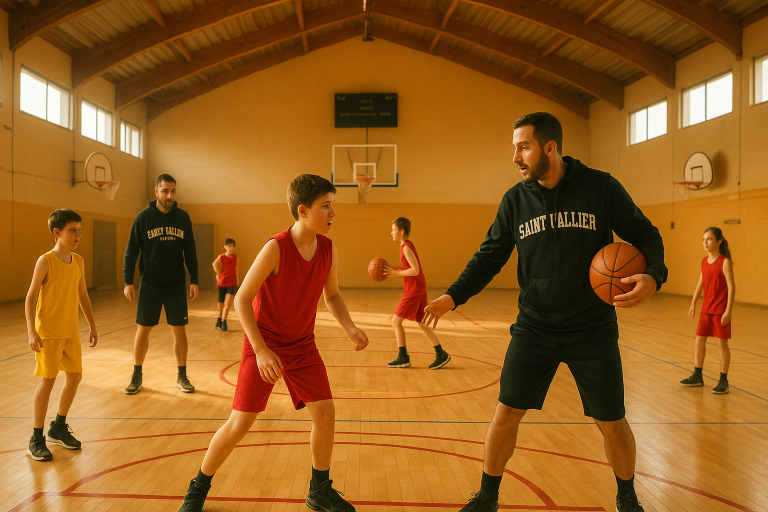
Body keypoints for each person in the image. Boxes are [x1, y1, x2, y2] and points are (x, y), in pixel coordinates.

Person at [422, 112, 667, 512]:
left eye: (523, 147)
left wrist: (654, 276)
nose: (515, 157)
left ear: (550, 148)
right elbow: (489, 256)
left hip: (592, 328)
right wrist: (454, 296)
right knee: (505, 414)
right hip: (535, 327)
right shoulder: (515, 201)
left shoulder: (601, 187)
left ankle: (627, 500)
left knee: (611, 420)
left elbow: (646, 234)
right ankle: (487, 498)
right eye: (514, 148)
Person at [177, 174, 369, 512]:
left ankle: (319, 490)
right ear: (303, 210)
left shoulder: (327, 249)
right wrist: (261, 350)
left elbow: (333, 295)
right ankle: (198, 487)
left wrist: (350, 327)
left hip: (302, 345)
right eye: (325, 206)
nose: (333, 212)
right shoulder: (276, 248)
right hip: (263, 343)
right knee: (240, 423)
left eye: (333, 205)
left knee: (325, 413)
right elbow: (241, 299)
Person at [24, 209, 98, 461]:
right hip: (48, 334)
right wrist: (32, 331)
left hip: (70, 333)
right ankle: (36, 438)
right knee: (47, 382)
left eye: (79, 230)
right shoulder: (45, 261)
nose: (77, 235)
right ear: (57, 232)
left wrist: (92, 324)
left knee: (75, 378)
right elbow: (31, 297)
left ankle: (58, 426)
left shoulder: (78, 261)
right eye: (72, 230)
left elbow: (82, 295)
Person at [123, 174, 199, 395]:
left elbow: (191, 251)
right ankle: (136, 375)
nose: (169, 196)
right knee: (143, 330)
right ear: (156, 191)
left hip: (175, 284)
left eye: (173, 191)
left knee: (179, 330)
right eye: (165, 191)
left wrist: (194, 280)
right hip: (150, 284)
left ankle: (182, 375)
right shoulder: (143, 218)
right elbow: (131, 252)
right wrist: (128, 281)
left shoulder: (183, 218)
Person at [383, 217, 450, 369]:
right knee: (422, 321)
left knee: (396, 321)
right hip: (417, 287)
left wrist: (396, 273)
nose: (391, 232)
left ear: (401, 231)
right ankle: (441, 354)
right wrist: (396, 269)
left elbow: (415, 270)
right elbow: (409, 267)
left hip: (414, 289)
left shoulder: (406, 247)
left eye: (394, 230)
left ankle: (403, 357)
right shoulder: (406, 245)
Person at [679, 227, 734, 394]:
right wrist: (693, 303)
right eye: (704, 239)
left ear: (719, 241)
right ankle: (697, 375)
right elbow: (700, 283)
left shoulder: (724, 262)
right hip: (706, 310)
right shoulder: (704, 261)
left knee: (722, 345)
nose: (705, 242)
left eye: (709, 239)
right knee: (699, 341)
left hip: (720, 311)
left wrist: (728, 311)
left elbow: (731, 287)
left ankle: (723, 381)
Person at [212, 238, 239, 331]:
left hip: (231, 283)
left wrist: (237, 282)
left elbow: (236, 270)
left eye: (233, 246)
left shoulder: (235, 257)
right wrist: (219, 274)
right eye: (230, 246)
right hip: (222, 283)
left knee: (228, 303)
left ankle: (224, 320)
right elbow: (214, 264)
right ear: (225, 247)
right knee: (221, 302)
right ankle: (219, 319)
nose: (232, 248)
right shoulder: (222, 256)